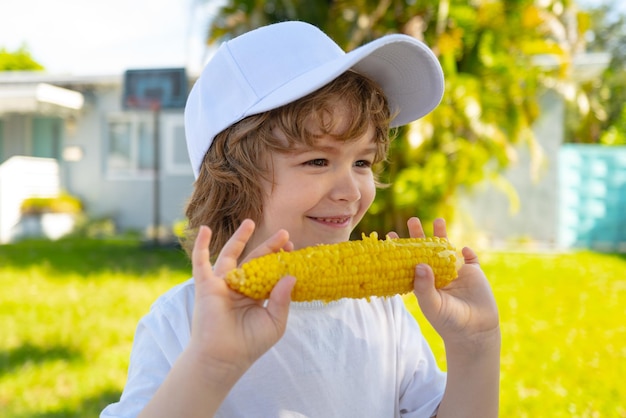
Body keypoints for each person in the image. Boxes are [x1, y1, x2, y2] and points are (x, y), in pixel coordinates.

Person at [101, 21, 500, 418]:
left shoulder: (383, 314)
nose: (352, 190)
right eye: (318, 160)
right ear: (233, 182)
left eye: (362, 161)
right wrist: (210, 366)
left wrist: (476, 346)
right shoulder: (182, 324)